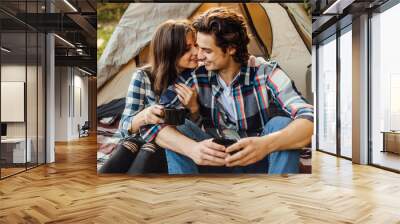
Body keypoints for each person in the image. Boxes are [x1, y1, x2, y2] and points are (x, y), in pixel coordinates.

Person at [140, 7, 314, 175]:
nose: (198, 56)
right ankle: (189, 199)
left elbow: (311, 118)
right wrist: (191, 148)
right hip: (215, 159)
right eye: (198, 47)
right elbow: (151, 124)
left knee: (280, 124)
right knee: (178, 125)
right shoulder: (195, 75)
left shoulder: (266, 72)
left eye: (206, 50)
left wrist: (265, 144)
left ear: (231, 48)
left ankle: (279, 198)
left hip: (261, 159)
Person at [98, 20, 200, 174]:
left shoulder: (198, 76)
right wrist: (144, 116)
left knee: (149, 148)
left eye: (196, 45)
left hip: (171, 143)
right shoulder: (143, 77)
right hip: (139, 137)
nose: (196, 52)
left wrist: (194, 108)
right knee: (127, 146)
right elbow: (124, 127)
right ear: (170, 51)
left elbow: (197, 131)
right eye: (187, 49)